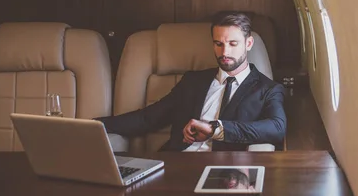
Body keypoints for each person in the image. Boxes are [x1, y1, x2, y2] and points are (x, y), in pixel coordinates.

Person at [94, 11, 287, 151]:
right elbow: (148, 118)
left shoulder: (268, 89)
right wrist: (93, 125)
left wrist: (215, 129)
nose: (224, 52)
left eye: (232, 44)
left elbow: (277, 128)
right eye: (218, 44)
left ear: (249, 43)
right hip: (176, 165)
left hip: (225, 173)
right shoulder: (193, 81)